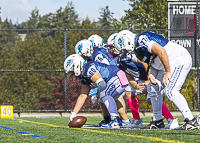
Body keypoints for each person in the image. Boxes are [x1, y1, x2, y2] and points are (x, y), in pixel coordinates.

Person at [114, 30, 199, 130]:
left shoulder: (141, 40)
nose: (125, 52)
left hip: (178, 61)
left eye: (124, 49)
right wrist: (151, 75)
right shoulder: (138, 48)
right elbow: (153, 61)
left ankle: (191, 120)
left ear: (127, 41)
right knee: (152, 87)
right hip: (165, 65)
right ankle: (158, 121)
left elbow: (161, 51)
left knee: (170, 91)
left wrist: (167, 72)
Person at [74, 35, 131, 128]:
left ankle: (120, 120)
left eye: (82, 55)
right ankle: (109, 119)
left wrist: (98, 89)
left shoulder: (97, 54)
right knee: (104, 96)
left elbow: (106, 69)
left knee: (110, 95)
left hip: (115, 77)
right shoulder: (96, 55)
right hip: (114, 76)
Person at [64, 54, 131, 129]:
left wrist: (97, 93)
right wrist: (73, 114)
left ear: (76, 66)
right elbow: (83, 95)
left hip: (118, 76)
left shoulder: (88, 68)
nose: (72, 74)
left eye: (72, 71)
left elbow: (101, 84)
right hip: (116, 79)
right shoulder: (84, 77)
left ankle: (115, 121)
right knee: (109, 98)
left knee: (104, 94)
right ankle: (125, 121)